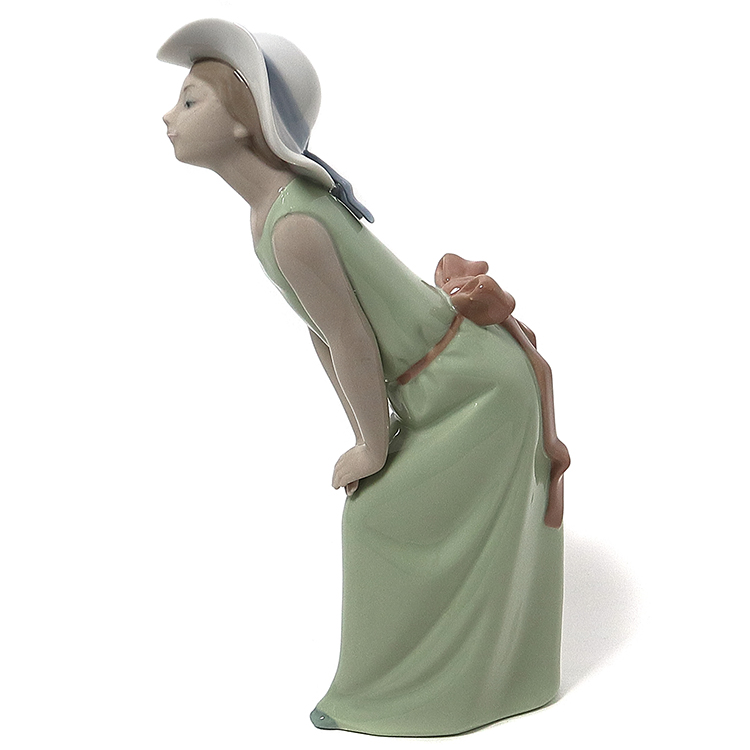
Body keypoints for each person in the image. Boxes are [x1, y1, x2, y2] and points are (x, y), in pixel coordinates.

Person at [158, 19, 569, 737]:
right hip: (437, 387)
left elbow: (350, 340)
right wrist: (364, 435)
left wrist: (374, 448)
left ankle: (432, 687)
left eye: (190, 101)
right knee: (378, 512)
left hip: (472, 389)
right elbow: (325, 338)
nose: (168, 116)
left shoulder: (293, 221)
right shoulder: (272, 215)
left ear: (245, 119)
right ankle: (429, 681)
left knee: (376, 516)